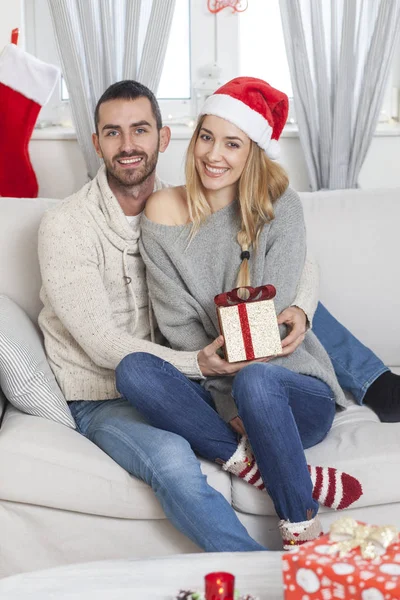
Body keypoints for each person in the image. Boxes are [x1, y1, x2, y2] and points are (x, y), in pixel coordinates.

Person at [37, 79, 399, 554]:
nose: (127, 146)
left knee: (260, 369)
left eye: (140, 130)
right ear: (97, 141)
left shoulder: (221, 201)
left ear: (163, 139)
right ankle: (263, 538)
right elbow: (109, 342)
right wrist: (205, 370)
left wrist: (301, 310)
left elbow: (299, 265)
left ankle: (305, 519)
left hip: (239, 377)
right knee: (144, 390)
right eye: (112, 133)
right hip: (142, 384)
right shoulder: (77, 225)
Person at [115, 76, 364, 548]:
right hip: (215, 389)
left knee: (256, 380)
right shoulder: (161, 213)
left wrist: (245, 379)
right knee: (134, 370)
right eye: (207, 137)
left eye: (233, 143)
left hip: (292, 391)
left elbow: (272, 315)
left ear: (252, 152)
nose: (214, 155)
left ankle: (301, 534)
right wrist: (223, 394)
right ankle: (260, 466)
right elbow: (177, 324)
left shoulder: (279, 207)